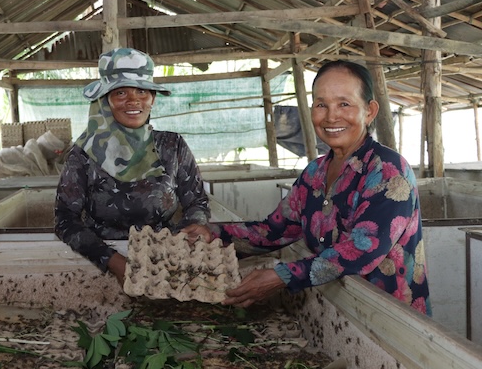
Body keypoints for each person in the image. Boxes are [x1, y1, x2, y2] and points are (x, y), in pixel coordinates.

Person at [195, 60, 430, 315]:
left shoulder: (388, 171)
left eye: (344, 104)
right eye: (321, 105)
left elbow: (363, 250)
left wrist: (282, 276)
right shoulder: (314, 174)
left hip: (392, 319)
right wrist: (213, 235)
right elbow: (274, 231)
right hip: (342, 311)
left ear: (370, 111)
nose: (331, 116)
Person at [55, 48, 211, 286]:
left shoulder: (172, 146)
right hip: (100, 265)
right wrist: (113, 261)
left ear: (153, 98)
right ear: (105, 100)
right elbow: (65, 219)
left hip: (165, 260)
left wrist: (183, 240)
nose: (133, 100)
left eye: (142, 91)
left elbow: (197, 202)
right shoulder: (84, 153)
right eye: (120, 93)